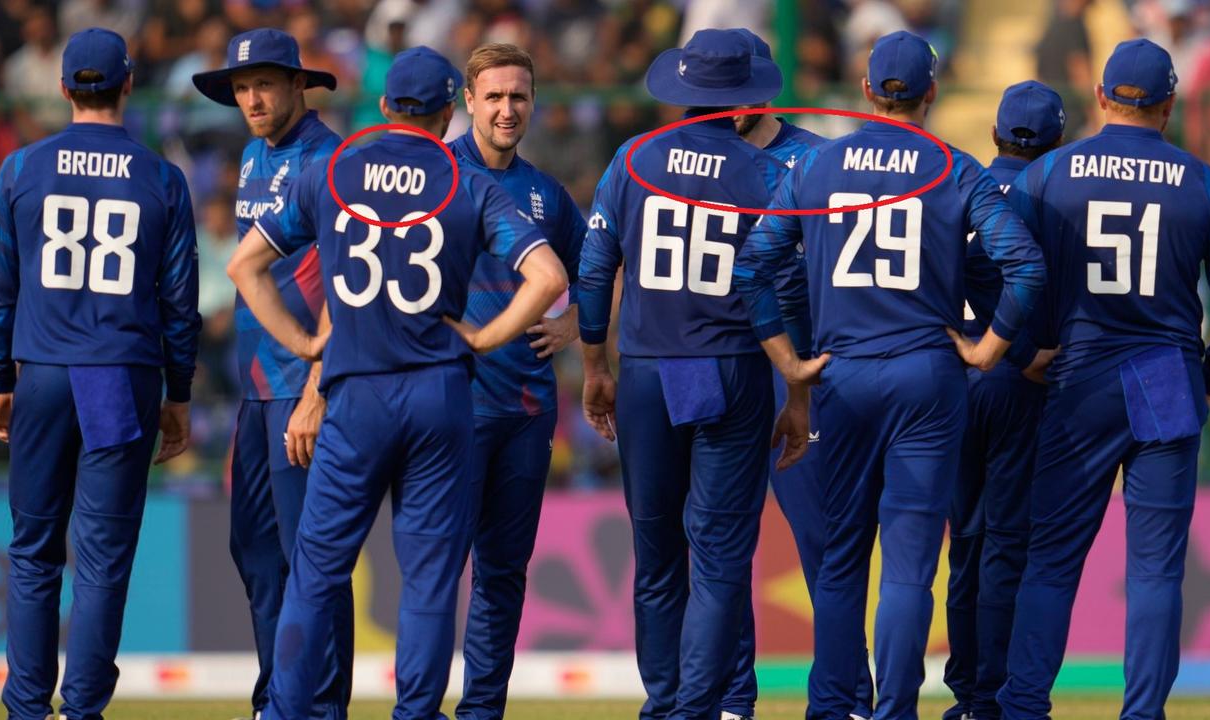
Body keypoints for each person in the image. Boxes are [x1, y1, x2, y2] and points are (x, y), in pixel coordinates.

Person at [226, 45, 568, 720]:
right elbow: (552, 278)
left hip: (356, 392)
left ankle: (292, 711)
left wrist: (303, 343)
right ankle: (416, 713)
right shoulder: (470, 184)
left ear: (384, 106)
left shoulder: (333, 170)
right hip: (442, 395)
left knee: (317, 573)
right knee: (430, 582)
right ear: (450, 112)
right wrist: (484, 336)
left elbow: (244, 267)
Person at [734, 30, 1046, 720]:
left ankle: (832, 707)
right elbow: (1024, 265)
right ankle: (896, 709)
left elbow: (752, 264)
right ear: (932, 93)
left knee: (841, 561)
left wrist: (787, 360)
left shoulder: (815, 167)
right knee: (910, 567)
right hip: (927, 380)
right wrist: (988, 348)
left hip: (842, 378)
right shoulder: (955, 169)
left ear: (869, 90)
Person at [997, 39, 1210, 720]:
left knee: (1049, 560)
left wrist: (1020, 350)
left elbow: (1001, 268)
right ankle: (1142, 714)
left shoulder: (1048, 174)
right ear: (1169, 106)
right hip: (1167, 373)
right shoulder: (1203, 182)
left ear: (1102, 97)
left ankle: (1023, 707)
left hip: (1080, 376)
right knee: (1157, 573)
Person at [580, 28, 806, 720]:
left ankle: (665, 702)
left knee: (656, 556)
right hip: (733, 370)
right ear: (744, 100)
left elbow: (594, 271)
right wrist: (794, 384)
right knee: (717, 558)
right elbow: (785, 289)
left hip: (649, 369)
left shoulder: (633, 159)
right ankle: (698, 709)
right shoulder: (767, 174)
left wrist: (595, 364)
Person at [0, 27, 200, 719]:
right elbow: (179, 301)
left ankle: (23, 709)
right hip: (119, 376)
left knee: (34, 549)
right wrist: (182, 391)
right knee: (103, 560)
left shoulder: (20, 169)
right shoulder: (162, 177)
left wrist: (1, 376)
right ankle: (82, 711)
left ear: (63, 85)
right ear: (128, 84)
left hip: (42, 370)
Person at [191, 27, 352, 720]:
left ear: (297, 85)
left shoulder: (333, 162)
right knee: (256, 552)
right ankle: (277, 702)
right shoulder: (255, 155)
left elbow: (351, 288)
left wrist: (318, 388)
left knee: (311, 560)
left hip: (301, 389)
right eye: (241, 87)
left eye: (264, 83)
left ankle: (319, 707)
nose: (252, 98)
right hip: (255, 392)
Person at [733, 26, 877, 720]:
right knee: (716, 546)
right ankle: (730, 700)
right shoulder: (685, 162)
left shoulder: (820, 163)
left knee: (826, 544)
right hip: (715, 370)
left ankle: (850, 697)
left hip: (802, 376)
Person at [447, 42, 585, 720]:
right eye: (494, 96)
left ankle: (481, 712)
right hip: (451, 409)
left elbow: (597, 269)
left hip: (528, 410)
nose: (507, 109)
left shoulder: (546, 195)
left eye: (518, 97)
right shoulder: (437, 177)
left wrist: (573, 324)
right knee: (436, 573)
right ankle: (419, 704)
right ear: (468, 100)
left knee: (501, 575)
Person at [942, 79, 1065, 720]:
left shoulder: (960, 184)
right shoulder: (1054, 199)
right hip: (1017, 384)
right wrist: (1017, 351)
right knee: (1005, 543)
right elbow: (1015, 274)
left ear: (993, 133)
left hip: (954, 382)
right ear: (1058, 142)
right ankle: (990, 692)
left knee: (963, 541)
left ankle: (966, 691)